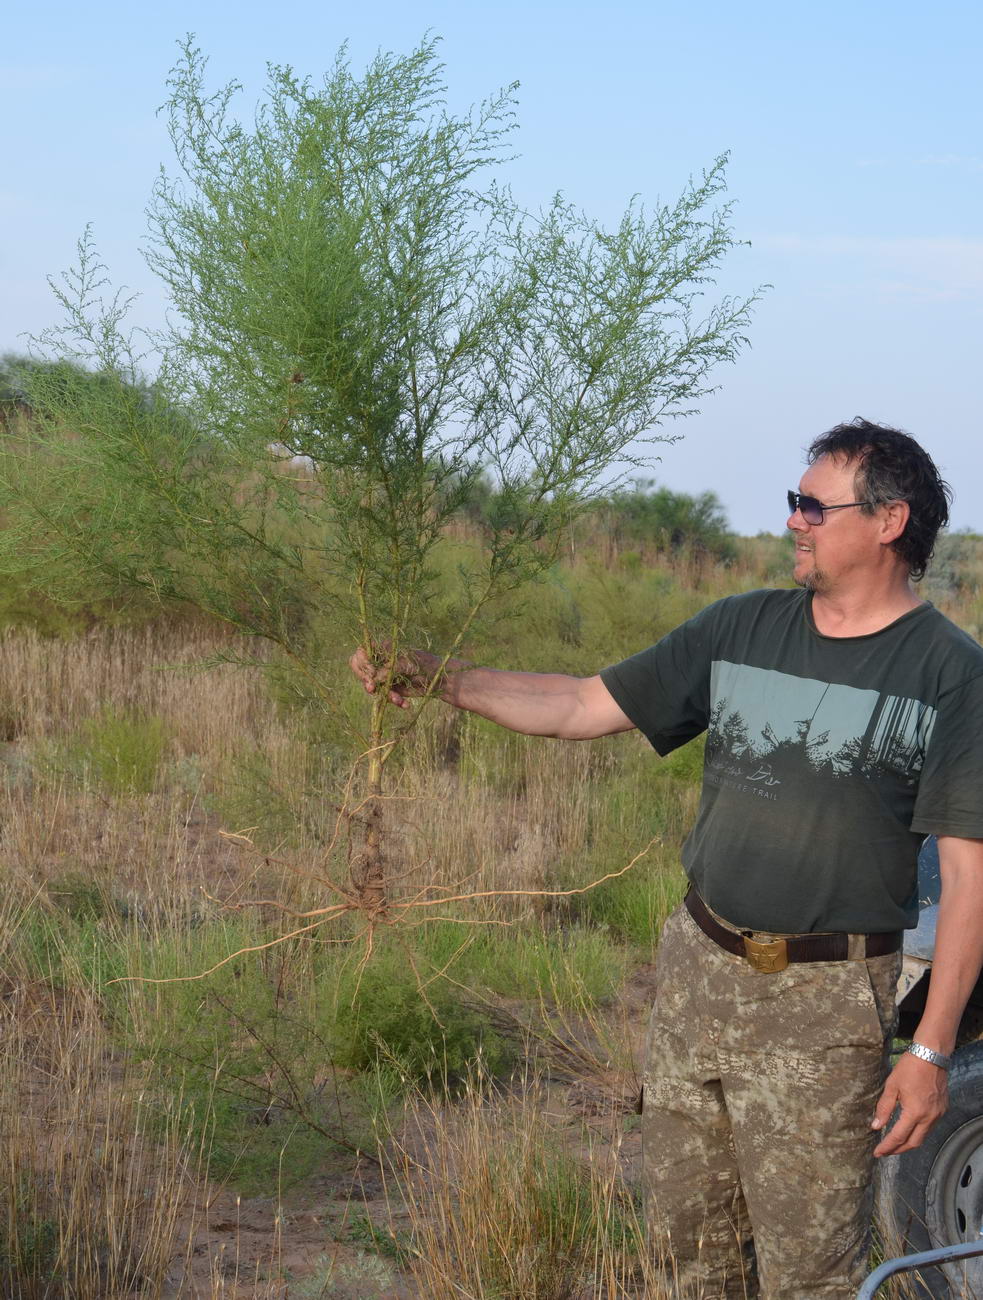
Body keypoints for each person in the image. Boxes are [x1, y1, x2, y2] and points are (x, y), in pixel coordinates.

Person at [349, 418, 983, 1299]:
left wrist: (929, 1051)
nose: (792, 520)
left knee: (810, 1274)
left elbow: (965, 879)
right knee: (688, 1258)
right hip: (696, 968)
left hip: (825, 1003)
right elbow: (578, 705)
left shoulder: (950, 673)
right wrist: (437, 677)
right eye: (792, 502)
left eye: (811, 504)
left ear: (886, 522)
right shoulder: (740, 626)